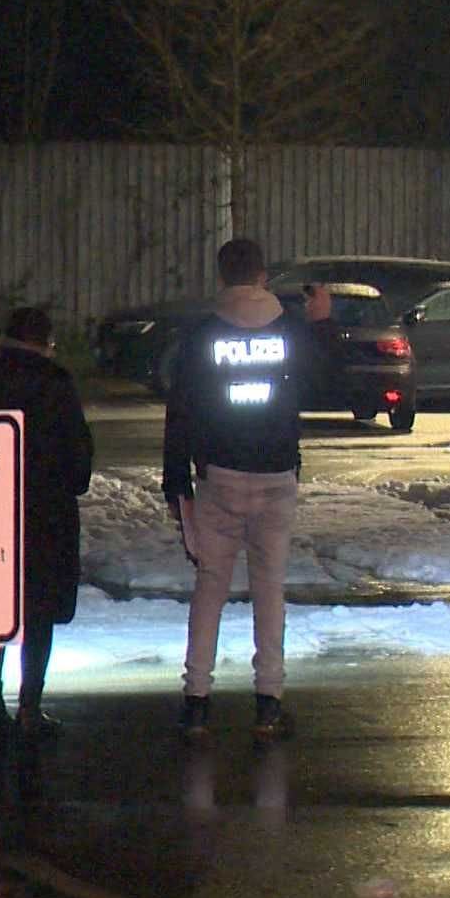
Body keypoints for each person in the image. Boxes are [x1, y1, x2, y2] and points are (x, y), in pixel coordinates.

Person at [163, 238, 331, 743]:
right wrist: (321, 323)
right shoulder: (289, 328)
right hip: (277, 474)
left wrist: (177, 485)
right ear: (262, 276)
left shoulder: (203, 334)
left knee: (210, 588)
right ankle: (269, 705)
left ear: (222, 277)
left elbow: (182, 412)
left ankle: (196, 703)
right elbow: (321, 384)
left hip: (220, 476)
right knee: (269, 590)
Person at [0, 306, 94, 741]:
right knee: (38, 612)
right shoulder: (57, 384)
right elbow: (80, 463)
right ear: (44, 341)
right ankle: (30, 706)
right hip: (46, 514)